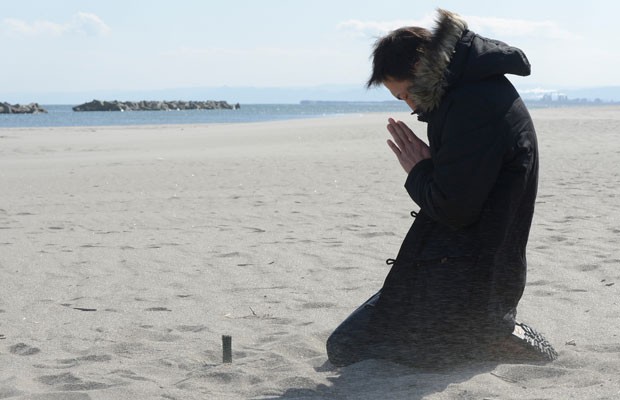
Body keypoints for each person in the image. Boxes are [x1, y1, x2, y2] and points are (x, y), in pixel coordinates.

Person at [326, 9, 557, 367]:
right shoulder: (468, 90)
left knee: (348, 347)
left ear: (420, 69)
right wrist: (433, 168)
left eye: (404, 94)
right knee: (355, 339)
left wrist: (418, 170)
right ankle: (487, 330)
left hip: (472, 278)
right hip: (466, 262)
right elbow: (467, 188)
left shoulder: (471, 105)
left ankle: (494, 335)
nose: (411, 106)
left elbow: (454, 209)